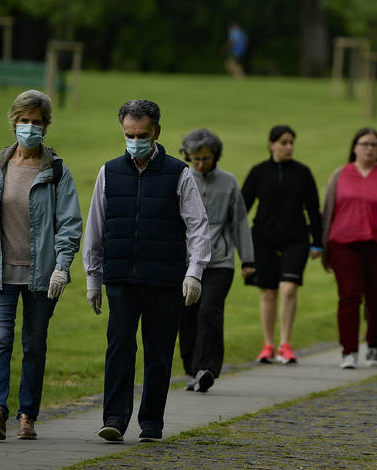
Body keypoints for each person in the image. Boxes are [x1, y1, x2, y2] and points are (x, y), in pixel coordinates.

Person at [83, 99, 212, 443]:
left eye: (142, 134)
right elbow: (95, 227)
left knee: (158, 353)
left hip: (165, 279)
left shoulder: (178, 173)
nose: (135, 140)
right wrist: (93, 278)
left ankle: (151, 422)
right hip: (121, 276)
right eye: (129, 134)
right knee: (119, 347)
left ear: (157, 132)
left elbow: (198, 225)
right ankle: (114, 418)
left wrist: (194, 272)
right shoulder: (108, 172)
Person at [0, 90, 82, 441]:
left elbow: (70, 223)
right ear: (13, 123)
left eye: (37, 122)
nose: (29, 127)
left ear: (46, 127)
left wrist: (62, 266)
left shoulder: (56, 171)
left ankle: (27, 415)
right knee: (0, 339)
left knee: (34, 344)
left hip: (41, 276)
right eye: (24, 121)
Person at [322, 127, 377, 369]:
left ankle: (373, 344)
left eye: (374, 145)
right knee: (349, 296)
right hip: (343, 243)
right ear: (354, 147)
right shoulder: (340, 175)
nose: (369, 148)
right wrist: (320, 243)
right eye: (364, 144)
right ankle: (348, 351)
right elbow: (327, 209)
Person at [177, 129, 253, 394]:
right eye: (195, 158)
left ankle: (207, 369)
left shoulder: (229, 182)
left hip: (220, 262)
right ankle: (192, 368)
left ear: (216, 156)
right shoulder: (182, 179)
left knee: (209, 312)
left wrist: (248, 259)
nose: (200, 164)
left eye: (206, 159)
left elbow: (240, 222)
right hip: (186, 263)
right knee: (187, 317)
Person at [240, 124, 324, 365]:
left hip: (295, 239)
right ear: (272, 144)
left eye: (291, 142)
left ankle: (285, 344)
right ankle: (268, 345)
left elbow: (313, 210)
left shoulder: (303, 173)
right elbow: (242, 208)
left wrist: (317, 242)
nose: (289, 147)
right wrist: (241, 243)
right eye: (284, 142)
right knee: (268, 292)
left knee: (288, 289)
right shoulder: (258, 172)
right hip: (263, 239)